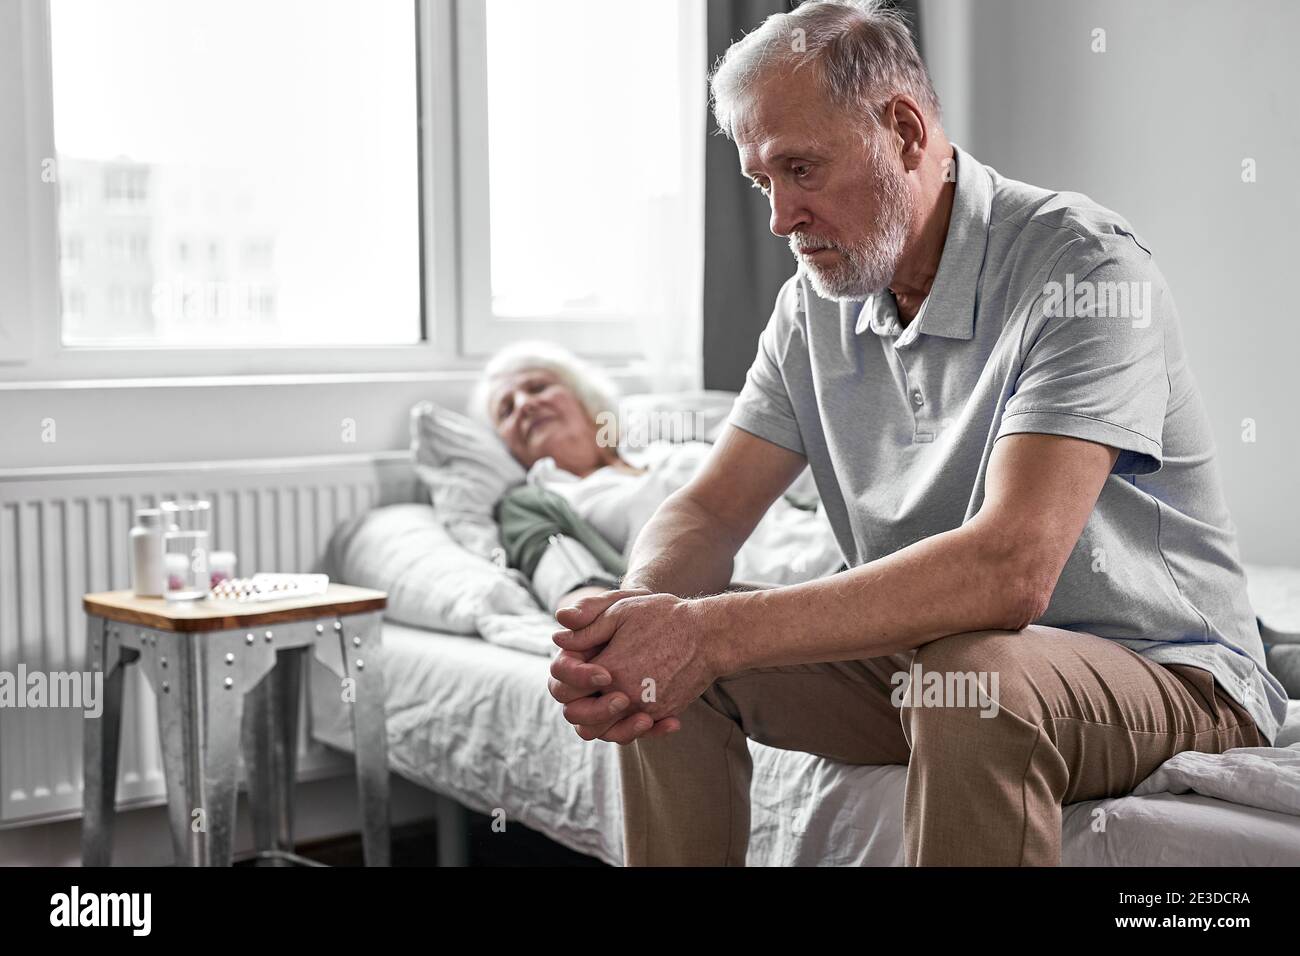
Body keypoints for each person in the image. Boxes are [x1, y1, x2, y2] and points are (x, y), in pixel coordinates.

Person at [543, 0, 1288, 866]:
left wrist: (709, 631)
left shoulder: (1082, 266)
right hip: (933, 661)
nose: (781, 217)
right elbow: (707, 514)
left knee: (972, 683)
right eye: (761, 181)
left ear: (902, 130)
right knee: (672, 671)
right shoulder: (809, 308)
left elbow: (1010, 569)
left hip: (1165, 670)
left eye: (802, 169)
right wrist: (641, 622)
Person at [470, 340, 844, 614]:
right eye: (506, 410)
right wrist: (599, 626)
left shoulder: (664, 447)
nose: (525, 405)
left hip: (840, 553)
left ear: (583, 399)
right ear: (507, 445)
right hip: (764, 600)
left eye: (537, 388)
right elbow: (568, 580)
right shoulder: (535, 499)